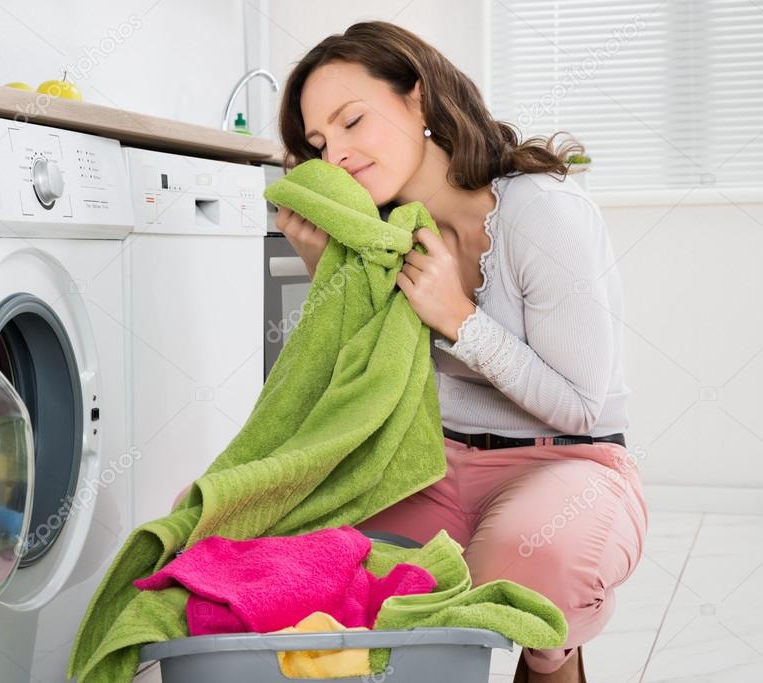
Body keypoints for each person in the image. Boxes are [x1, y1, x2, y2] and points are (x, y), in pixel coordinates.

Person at [270, 21, 649, 683]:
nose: (339, 155)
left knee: (523, 570)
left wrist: (459, 318)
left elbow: (581, 407)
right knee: (293, 548)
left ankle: (549, 654)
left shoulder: (539, 211)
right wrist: (327, 274)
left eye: (353, 120)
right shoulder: (381, 234)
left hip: (566, 461)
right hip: (431, 462)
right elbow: (357, 392)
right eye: (320, 145)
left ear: (418, 99)